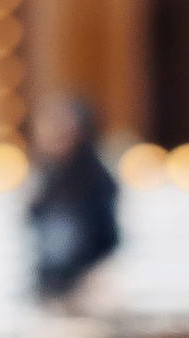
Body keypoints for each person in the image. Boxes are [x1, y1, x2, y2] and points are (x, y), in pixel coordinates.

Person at [25, 93, 121, 302]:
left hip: (84, 287)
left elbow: (108, 237)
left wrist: (89, 280)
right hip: (50, 283)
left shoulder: (95, 179)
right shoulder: (47, 175)